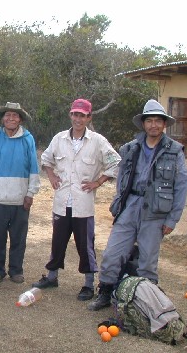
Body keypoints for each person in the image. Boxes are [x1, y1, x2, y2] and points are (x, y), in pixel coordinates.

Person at [88, 99, 187, 311]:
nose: (153, 125)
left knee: (148, 261)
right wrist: (119, 203)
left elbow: (181, 186)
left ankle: (146, 303)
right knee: (112, 254)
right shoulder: (130, 149)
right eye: (149, 120)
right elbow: (122, 180)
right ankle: (105, 292)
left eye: (157, 121)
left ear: (164, 124)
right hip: (129, 206)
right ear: (143, 124)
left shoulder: (174, 151)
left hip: (155, 211)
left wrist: (172, 219)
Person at [31, 99, 121, 301]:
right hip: (62, 202)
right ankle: (52, 277)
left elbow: (116, 162)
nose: (78, 119)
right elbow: (46, 159)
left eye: (82, 115)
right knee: (58, 242)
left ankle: (89, 285)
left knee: (85, 245)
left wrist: (98, 182)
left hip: (83, 204)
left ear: (89, 117)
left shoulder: (97, 141)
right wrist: (52, 177)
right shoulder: (60, 139)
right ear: (70, 115)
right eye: (75, 114)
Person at [0, 102, 40, 283]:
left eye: (15, 115)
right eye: (8, 115)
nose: (11, 118)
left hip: (20, 199)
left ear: (20, 119)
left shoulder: (28, 139)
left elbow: (34, 168)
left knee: (18, 238)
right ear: (3, 118)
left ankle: (16, 270)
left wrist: (30, 194)